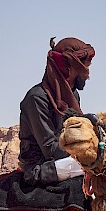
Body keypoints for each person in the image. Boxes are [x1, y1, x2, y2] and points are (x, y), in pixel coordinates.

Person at [19, 37, 95, 186]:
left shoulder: (72, 95)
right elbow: (51, 150)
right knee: (96, 165)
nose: (87, 73)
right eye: (84, 68)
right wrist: (87, 147)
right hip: (40, 168)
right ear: (69, 68)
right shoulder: (36, 98)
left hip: (65, 161)